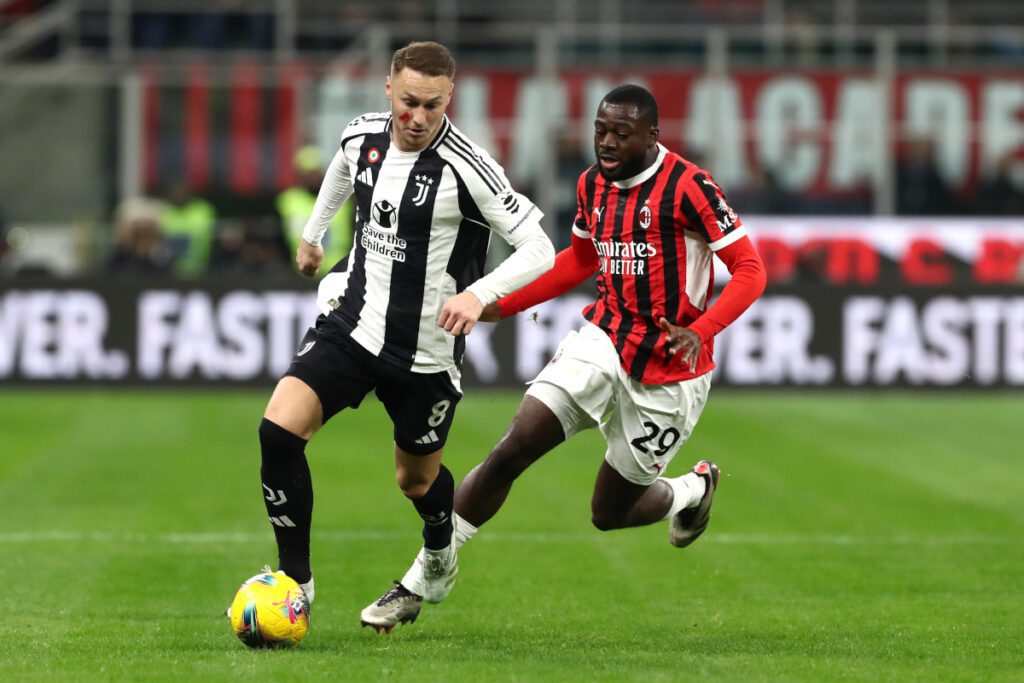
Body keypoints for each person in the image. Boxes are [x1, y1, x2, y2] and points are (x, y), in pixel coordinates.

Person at [365, 84, 767, 629]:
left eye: (621, 134)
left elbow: (750, 268)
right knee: (513, 448)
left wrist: (703, 327)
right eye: (600, 130)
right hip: (603, 340)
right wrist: (499, 304)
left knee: (610, 513)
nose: (605, 142)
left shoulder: (690, 187)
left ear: (652, 136)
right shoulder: (591, 183)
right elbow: (579, 261)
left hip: (672, 371)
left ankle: (694, 488)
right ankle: (424, 576)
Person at [246, 41, 555, 632]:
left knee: (414, 479)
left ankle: (439, 553)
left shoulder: (469, 166)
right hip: (353, 324)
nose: (417, 118)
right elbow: (343, 167)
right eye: (408, 102)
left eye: (432, 107)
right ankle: (297, 584)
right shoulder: (361, 134)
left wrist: (479, 294)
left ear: (449, 100)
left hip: (425, 351)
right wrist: (315, 234)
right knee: (278, 431)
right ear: (388, 89)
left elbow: (540, 247)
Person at [277, 146, 355, 273]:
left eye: (315, 171)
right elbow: (280, 239)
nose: (312, 177)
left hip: (339, 272)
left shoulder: (344, 198)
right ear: (299, 175)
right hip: (300, 274)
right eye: (307, 172)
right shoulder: (288, 200)